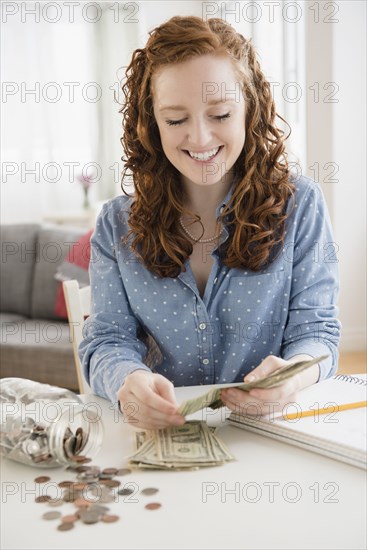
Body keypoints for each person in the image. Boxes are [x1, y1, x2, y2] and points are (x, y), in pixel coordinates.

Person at [79, 15, 341, 430]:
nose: (200, 139)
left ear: (249, 110)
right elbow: (107, 339)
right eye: (176, 120)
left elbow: (318, 332)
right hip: (161, 438)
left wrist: (297, 374)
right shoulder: (116, 224)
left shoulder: (301, 205)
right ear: (151, 124)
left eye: (219, 114)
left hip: (267, 437)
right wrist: (129, 380)